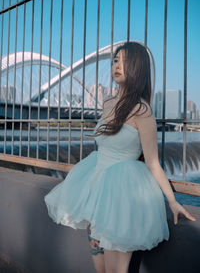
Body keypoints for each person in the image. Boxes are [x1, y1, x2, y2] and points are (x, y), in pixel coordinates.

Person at [44, 41, 196, 273]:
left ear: (138, 68)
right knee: (101, 269)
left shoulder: (142, 111)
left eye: (125, 62)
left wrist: (173, 201)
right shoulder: (107, 104)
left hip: (121, 197)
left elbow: (153, 163)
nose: (118, 65)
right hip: (94, 190)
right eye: (116, 60)